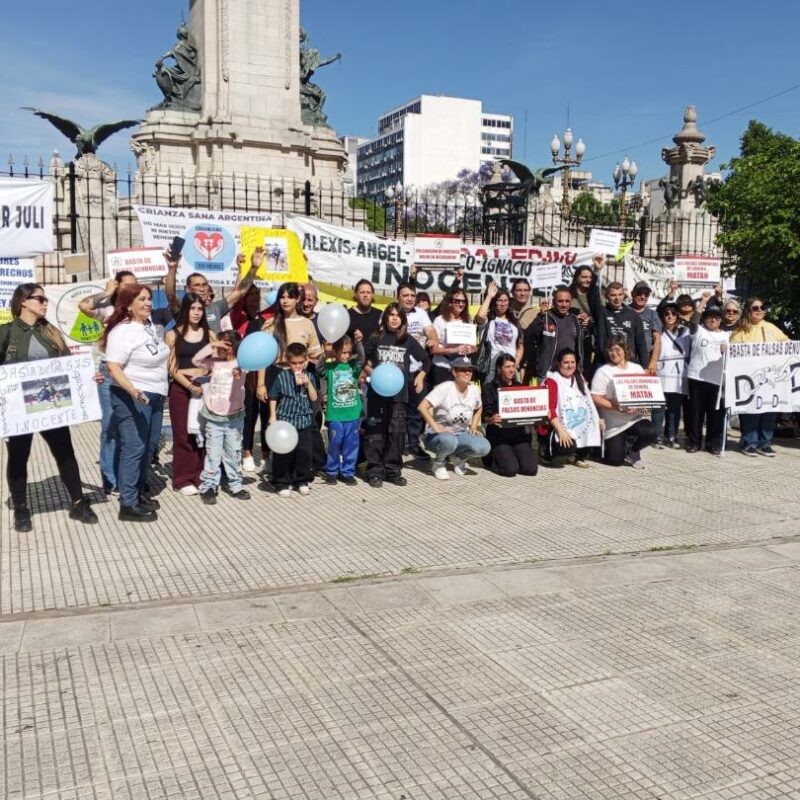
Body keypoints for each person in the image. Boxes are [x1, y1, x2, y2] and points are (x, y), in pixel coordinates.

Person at [0, 284, 98, 532]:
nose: (45, 303)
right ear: (23, 301)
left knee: (65, 452)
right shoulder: (7, 333)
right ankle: (21, 509)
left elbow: (67, 364)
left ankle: (78, 502)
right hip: (18, 411)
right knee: (19, 456)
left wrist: (87, 377)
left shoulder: (51, 332)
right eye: (40, 298)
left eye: (45, 299)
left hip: (52, 406)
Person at [102, 284, 170, 521]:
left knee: (147, 447)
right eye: (141, 299)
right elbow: (113, 366)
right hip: (132, 396)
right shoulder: (123, 331)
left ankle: (138, 492)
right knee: (135, 447)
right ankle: (127, 504)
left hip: (155, 395)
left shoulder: (148, 327)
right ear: (128, 304)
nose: (148, 303)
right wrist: (132, 390)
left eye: (149, 299)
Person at [77, 270, 138, 495]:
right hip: (109, 373)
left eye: (135, 285)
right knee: (111, 425)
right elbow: (83, 306)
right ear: (117, 286)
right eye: (127, 286)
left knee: (130, 424)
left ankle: (129, 475)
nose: (132, 289)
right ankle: (110, 478)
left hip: (133, 373)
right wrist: (106, 292)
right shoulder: (107, 308)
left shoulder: (139, 311)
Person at [363, 303, 429, 488]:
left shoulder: (406, 340)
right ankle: (375, 470)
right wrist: (371, 371)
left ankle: (392, 470)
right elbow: (363, 359)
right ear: (385, 318)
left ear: (402, 319)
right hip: (377, 394)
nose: (394, 318)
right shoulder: (377, 337)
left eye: (397, 315)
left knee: (396, 434)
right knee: (376, 433)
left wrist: (421, 377)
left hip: (399, 396)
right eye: (390, 314)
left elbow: (426, 360)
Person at [192, 331, 250, 503]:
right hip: (214, 418)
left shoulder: (242, 364)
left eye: (225, 344)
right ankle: (209, 485)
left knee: (233, 453)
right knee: (213, 454)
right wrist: (212, 346)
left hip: (234, 418)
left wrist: (238, 373)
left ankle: (236, 484)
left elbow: (245, 372)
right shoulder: (214, 363)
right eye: (220, 344)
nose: (222, 348)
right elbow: (196, 361)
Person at [165, 293, 213, 495]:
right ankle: (183, 478)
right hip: (181, 388)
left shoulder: (209, 334)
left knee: (203, 433)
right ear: (185, 309)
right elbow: (171, 367)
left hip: (205, 387)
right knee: (183, 434)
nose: (196, 312)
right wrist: (189, 386)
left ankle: (201, 474)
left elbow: (218, 360)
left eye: (199, 309)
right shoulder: (172, 334)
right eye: (192, 308)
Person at [730, 296, 789, 457]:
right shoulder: (740, 331)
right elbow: (733, 353)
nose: (759, 311)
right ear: (748, 311)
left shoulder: (771, 328)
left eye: (762, 307)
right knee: (751, 412)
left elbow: (787, 344)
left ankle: (765, 442)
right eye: (755, 308)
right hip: (750, 380)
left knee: (769, 411)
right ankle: (749, 442)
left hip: (771, 380)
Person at [591, 335, 658, 468]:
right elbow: (595, 397)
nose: (613, 353)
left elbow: (645, 395)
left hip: (633, 419)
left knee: (651, 432)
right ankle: (600, 447)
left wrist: (639, 406)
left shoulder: (637, 368)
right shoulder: (603, 372)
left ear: (625, 350)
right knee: (615, 461)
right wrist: (617, 407)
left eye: (617, 349)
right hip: (613, 424)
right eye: (610, 350)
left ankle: (632, 450)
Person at [418, 357, 491, 480]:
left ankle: (458, 458)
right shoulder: (445, 387)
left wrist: (473, 426)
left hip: (460, 433)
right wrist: (435, 426)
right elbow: (422, 407)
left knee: (484, 447)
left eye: (470, 370)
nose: (467, 373)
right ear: (454, 372)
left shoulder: (474, 389)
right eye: (463, 370)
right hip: (437, 436)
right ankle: (439, 463)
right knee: (450, 441)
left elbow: (479, 407)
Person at [165, 247, 261, 333]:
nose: (202, 289)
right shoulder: (183, 309)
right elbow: (171, 295)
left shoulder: (216, 308)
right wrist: (172, 268)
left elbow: (239, 292)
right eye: (197, 285)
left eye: (204, 285)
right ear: (188, 289)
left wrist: (253, 268)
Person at [228, 284, 271, 473]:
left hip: (265, 372)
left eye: (256, 294)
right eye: (250, 294)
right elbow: (235, 300)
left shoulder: (266, 319)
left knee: (267, 414)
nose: (253, 297)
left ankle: (266, 455)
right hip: (246, 374)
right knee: (249, 415)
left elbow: (283, 302)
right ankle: (246, 452)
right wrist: (243, 275)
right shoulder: (239, 318)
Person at [256, 282, 322, 399]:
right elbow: (261, 357)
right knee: (273, 416)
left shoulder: (307, 324)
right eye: (282, 297)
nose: (285, 301)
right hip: (274, 376)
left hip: (299, 377)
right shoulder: (270, 324)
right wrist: (260, 384)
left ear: (297, 299)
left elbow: (315, 354)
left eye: (290, 297)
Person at [268, 342, 318, 496]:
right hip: (286, 421)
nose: (297, 366)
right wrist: (272, 415)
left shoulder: (309, 375)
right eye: (294, 363)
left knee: (304, 453)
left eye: (300, 363)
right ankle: (281, 481)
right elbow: (273, 396)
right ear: (288, 362)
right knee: (283, 454)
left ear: (306, 361)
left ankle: (302, 480)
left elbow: (314, 397)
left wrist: (308, 383)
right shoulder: (282, 376)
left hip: (304, 421)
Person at [539, 348, 603, 468]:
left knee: (595, 426)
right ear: (559, 363)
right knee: (567, 446)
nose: (570, 366)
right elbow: (549, 409)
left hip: (575, 419)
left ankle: (578, 456)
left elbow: (589, 403)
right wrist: (560, 430)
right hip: (555, 425)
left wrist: (597, 419)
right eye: (566, 362)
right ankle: (546, 452)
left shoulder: (579, 378)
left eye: (572, 362)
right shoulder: (552, 380)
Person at [397, 281, 438, 456]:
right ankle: (398, 446)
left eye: (412, 295)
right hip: (397, 369)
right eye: (405, 295)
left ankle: (415, 445)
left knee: (416, 410)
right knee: (399, 409)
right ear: (398, 296)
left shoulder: (421, 313)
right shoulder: (391, 312)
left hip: (418, 370)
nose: (409, 299)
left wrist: (433, 338)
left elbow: (430, 330)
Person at [317, 335, 364, 485]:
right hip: (335, 414)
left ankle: (348, 472)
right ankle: (332, 471)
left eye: (349, 352)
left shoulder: (353, 367)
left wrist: (359, 343)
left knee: (351, 444)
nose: (346, 356)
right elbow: (319, 368)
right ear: (336, 351)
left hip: (352, 414)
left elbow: (361, 359)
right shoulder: (330, 368)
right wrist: (326, 354)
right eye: (343, 352)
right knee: (335, 443)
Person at [481, 355, 538, 477]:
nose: (511, 370)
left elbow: (529, 410)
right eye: (507, 367)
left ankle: (512, 454)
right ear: (499, 369)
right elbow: (484, 415)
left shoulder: (521, 387)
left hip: (518, 435)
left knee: (531, 469)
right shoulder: (489, 388)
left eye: (513, 366)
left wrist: (541, 413)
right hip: (499, 435)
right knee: (510, 470)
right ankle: (491, 456)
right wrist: (491, 419)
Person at [685, 306, 728, 455]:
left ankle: (713, 443)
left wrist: (726, 352)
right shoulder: (699, 331)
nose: (713, 319)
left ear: (721, 320)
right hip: (697, 377)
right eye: (709, 316)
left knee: (715, 414)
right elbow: (693, 321)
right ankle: (694, 442)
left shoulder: (726, 335)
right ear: (704, 318)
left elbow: (733, 358)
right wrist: (701, 304)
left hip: (717, 380)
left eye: (716, 317)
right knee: (696, 412)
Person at [522, 286, 583, 384]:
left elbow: (579, 348)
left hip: (569, 371)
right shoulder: (546, 317)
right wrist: (540, 317)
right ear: (554, 302)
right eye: (560, 301)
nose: (564, 304)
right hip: (547, 372)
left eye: (567, 301)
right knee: (547, 399)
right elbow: (529, 336)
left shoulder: (574, 319)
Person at [655, 302, 691, 449]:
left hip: (678, 376)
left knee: (674, 409)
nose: (670, 316)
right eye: (667, 314)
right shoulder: (658, 332)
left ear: (678, 316)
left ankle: (671, 435)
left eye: (673, 314)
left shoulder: (686, 332)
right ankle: (656, 436)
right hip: (661, 373)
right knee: (658, 408)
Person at [591, 280, 649, 369]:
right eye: (613, 295)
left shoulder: (633, 315)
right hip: (606, 364)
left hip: (627, 364)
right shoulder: (601, 313)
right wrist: (596, 272)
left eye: (620, 294)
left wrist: (645, 367)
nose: (617, 298)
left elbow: (641, 344)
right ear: (606, 296)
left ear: (624, 295)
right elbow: (593, 297)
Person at [474, 282, 524, 382]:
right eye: (499, 300)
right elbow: (479, 317)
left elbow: (520, 346)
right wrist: (489, 296)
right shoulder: (488, 320)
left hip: (511, 368)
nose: (503, 303)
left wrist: (514, 365)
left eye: (506, 300)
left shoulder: (514, 322)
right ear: (494, 302)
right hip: (492, 367)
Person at [430, 289, 477, 386]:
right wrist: (454, 349)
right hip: (443, 368)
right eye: (457, 301)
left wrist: (471, 349)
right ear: (450, 303)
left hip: (462, 368)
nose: (461, 304)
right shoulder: (439, 321)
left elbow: (474, 347)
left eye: (463, 301)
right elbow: (433, 350)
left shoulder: (468, 321)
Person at [346, 279, 382, 343]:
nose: (365, 295)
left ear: (372, 295)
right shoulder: (346, 316)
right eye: (362, 292)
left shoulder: (380, 315)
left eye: (368, 292)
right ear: (356, 295)